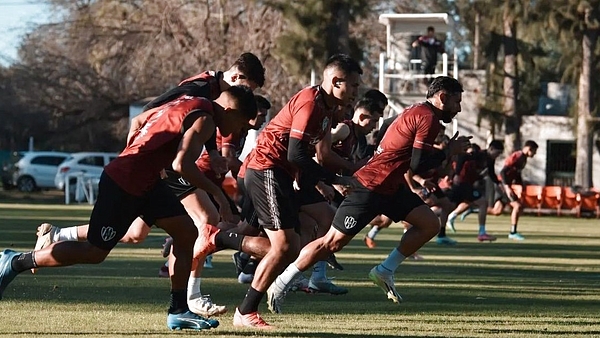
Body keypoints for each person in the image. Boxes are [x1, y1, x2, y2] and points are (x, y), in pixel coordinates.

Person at [0, 86, 258, 331]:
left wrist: (205, 152)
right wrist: (220, 197)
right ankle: (16, 261)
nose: (236, 132)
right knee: (94, 252)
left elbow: (141, 120)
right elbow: (182, 165)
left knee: (186, 233)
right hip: (125, 183)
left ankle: (178, 310)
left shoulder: (192, 102)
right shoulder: (207, 120)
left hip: (148, 180)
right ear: (231, 112)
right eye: (241, 125)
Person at [266, 76, 470, 314]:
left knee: (429, 224)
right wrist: (448, 151)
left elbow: (387, 129)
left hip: (390, 186)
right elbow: (418, 163)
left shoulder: (416, 110)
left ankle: (384, 271)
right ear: (442, 98)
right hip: (371, 186)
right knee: (332, 243)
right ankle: (280, 283)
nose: (459, 108)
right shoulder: (428, 117)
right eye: (456, 101)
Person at [210, 54, 362, 329]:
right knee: (283, 247)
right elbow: (294, 153)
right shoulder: (310, 103)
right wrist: (332, 179)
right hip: (267, 169)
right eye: (353, 85)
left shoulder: (327, 111)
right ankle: (240, 298)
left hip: (283, 174)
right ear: (336, 81)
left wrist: (348, 172)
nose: (355, 92)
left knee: (294, 241)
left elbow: (321, 155)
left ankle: (225, 246)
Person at [445, 140, 504, 241]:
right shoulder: (478, 154)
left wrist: (498, 183)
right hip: (463, 183)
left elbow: (491, 173)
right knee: (482, 203)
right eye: (497, 153)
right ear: (491, 149)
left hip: (468, 184)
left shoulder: (490, 160)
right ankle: (481, 233)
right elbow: (462, 157)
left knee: (449, 205)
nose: (497, 155)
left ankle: (438, 219)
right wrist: (457, 174)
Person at [496, 140, 538, 240]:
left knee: (496, 211)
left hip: (505, 184)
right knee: (517, 206)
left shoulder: (523, 159)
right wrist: (507, 187)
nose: (535, 154)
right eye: (534, 151)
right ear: (529, 149)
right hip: (503, 184)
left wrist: (521, 184)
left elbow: (517, 173)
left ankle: (474, 209)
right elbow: (503, 172)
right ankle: (513, 232)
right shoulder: (518, 156)